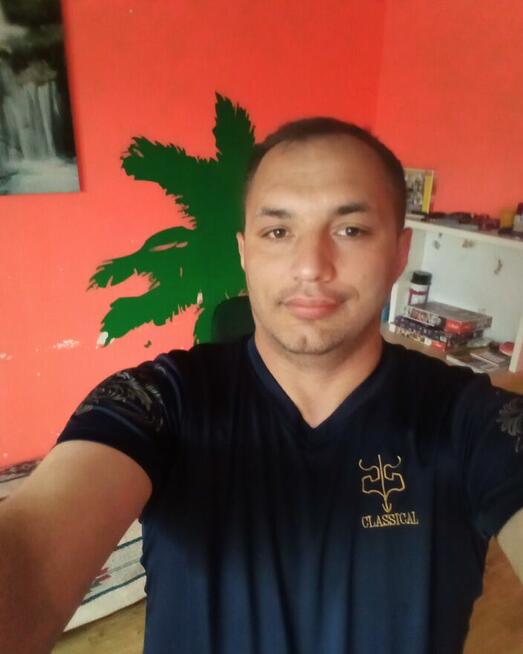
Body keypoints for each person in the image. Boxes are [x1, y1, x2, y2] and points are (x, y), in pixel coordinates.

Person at [1, 118, 522, 654]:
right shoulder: (160, 401)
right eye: (278, 232)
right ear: (245, 251)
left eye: (351, 230)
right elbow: (32, 556)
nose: (310, 267)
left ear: (399, 253)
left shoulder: (469, 419)